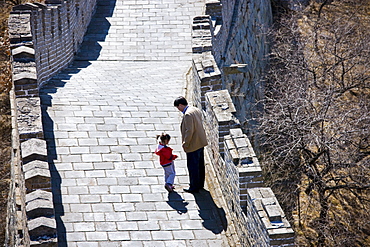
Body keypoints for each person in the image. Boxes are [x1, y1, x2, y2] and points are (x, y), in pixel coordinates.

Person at [174, 96, 208, 193]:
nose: (178, 109)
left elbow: (189, 131)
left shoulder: (187, 115)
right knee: (200, 165)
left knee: (193, 167)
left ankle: (194, 187)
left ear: (181, 105)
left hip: (193, 144)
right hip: (200, 142)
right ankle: (200, 184)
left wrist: (186, 143)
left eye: (178, 107)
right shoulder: (195, 109)